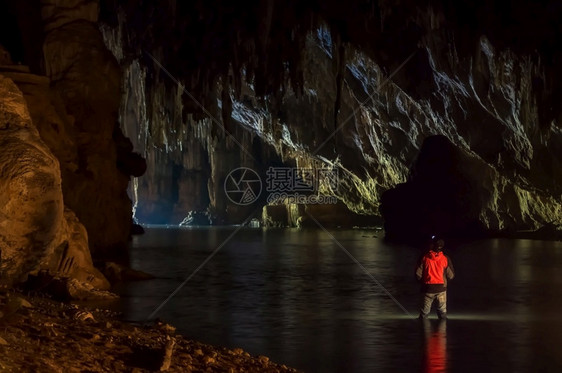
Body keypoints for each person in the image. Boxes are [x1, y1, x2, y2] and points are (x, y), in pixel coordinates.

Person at [415, 236, 454, 320]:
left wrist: (423, 283)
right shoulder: (445, 259)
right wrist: (445, 282)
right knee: (442, 314)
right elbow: (451, 275)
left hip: (427, 289)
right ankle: (443, 331)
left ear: (432, 245)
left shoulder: (424, 257)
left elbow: (418, 274)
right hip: (441, 289)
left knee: (424, 315)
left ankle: (423, 330)